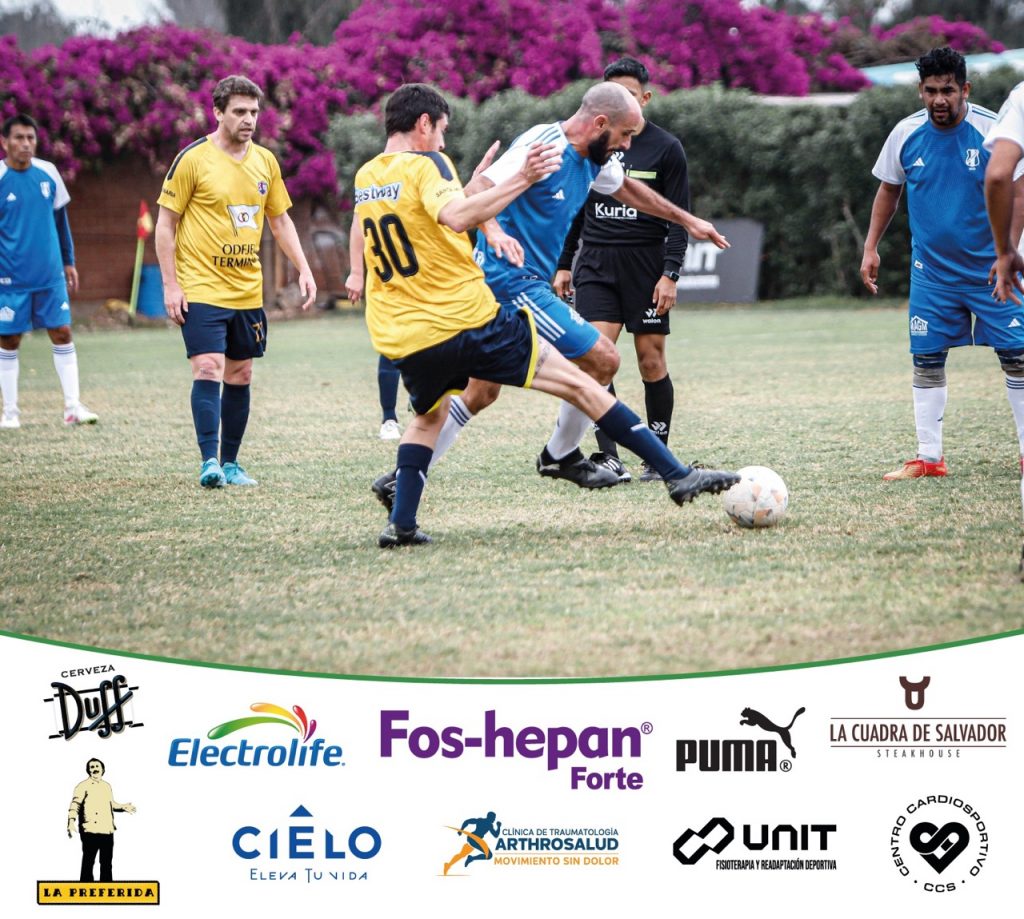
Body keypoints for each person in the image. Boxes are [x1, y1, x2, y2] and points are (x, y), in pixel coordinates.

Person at [355, 83, 739, 547]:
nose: (626, 145)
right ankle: (567, 456)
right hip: (510, 282)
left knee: (477, 394)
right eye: (624, 135)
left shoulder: (594, 159)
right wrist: (493, 230)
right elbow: (474, 192)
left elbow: (627, 189)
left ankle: (403, 484)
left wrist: (686, 220)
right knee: (602, 360)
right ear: (600, 124)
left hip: (428, 319)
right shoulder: (542, 146)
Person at [860, 47, 1024, 481]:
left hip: (991, 271)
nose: (939, 99)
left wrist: (1010, 250)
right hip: (932, 274)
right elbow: (889, 190)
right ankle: (929, 459)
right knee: (927, 360)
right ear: (920, 90)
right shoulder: (905, 133)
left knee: (1018, 357)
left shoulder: (992, 130)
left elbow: (1019, 190)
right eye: (931, 90)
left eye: (947, 90)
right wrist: (871, 247)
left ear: (964, 89)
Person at [155, 75, 316, 488]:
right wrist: (171, 285)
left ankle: (230, 463)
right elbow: (166, 224)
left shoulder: (265, 162)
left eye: (254, 112)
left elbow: (280, 221)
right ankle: (209, 462)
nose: (249, 119)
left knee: (240, 374)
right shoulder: (192, 159)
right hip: (201, 287)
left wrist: (303, 267)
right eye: (240, 111)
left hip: (247, 291)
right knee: (208, 367)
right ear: (218, 112)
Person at [554, 57, 691, 483]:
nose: (621, 101)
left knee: (651, 360)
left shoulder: (666, 147)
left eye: (629, 94)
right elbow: (576, 206)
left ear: (644, 98)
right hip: (596, 262)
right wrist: (564, 263)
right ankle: (608, 456)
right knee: (597, 357)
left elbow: (678, 217)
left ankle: (657, 456)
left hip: (646, 266)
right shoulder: (593, 143)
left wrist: (670, 273)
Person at [0, 113, 97, 429]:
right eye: (19, 137)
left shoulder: (49, 173)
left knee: (62, 332)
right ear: (5, 142)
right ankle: (10, 413)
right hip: (10, 279)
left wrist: (69, 261)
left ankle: (72, 408)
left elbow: (60, 222)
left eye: (30, 137)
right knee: (9, 339)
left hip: (49, 275)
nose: (26, 144)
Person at [67, 758, 136, 882]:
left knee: (106, 863)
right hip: (90, 830)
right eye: (92, 767)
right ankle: (85, 889)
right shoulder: (82, 786)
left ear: (103, 769)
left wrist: (123, 807)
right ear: (88, 770)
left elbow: (112, 804)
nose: (95, 769)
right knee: (88, 862)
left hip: (107, 830)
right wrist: (71, 821)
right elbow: (75, 804)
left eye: (97, 766)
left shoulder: (106, 786)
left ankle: (107, 889)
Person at [444, 811, 502, 875]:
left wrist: (461, 830)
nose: (494, 820)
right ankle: (471, 858)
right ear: (490, 817)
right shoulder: (489, 825)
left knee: (462, 854)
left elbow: (467, 821)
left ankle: (448, 865)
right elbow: (496, 835)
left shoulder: (480, 820)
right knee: (489, 855)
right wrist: (499, 826)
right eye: (494, 818)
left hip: (471, 838)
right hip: (476, 840)